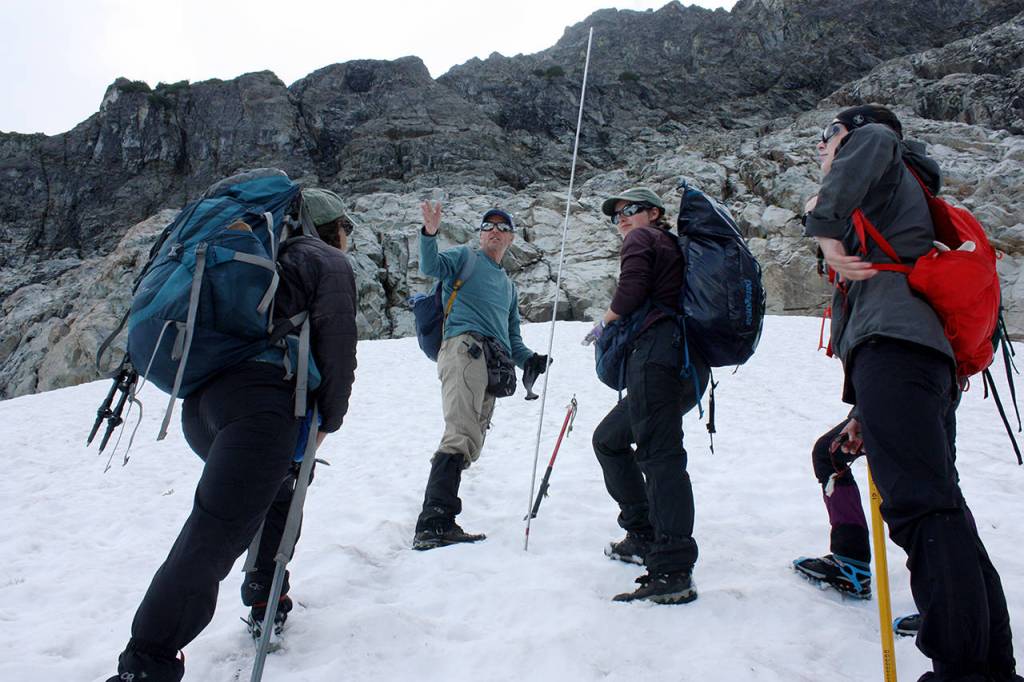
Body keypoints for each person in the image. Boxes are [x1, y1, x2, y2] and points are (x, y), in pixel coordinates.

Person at [803, 104, 1020, 681]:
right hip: (917, 359)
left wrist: (823, 229)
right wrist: (862, 410)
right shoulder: (900, 195)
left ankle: (962, 668)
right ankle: (988, 666)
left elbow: (874, 138)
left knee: (923, 509)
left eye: (828, 136)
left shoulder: (875, 141)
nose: (822, 148)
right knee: (942, 507)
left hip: (896, 352)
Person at [107, 187, 358, 682]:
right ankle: (145, 664)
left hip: (203, 408)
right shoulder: (322, 257)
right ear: (334, 227)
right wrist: (328, 422)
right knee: (214, 533)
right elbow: (337, 348)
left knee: (274, 489)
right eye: (348, 229)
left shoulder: (263, 258)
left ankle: (265, 589)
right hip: (260, 408)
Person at [584, 187, 709, 604]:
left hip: (657, 355)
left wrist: (604, 323)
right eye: (615, 214)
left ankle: (672, 568)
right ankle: (644, 533)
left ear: (654, 213)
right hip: (677, 361)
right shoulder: (668, 243)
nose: (622, 218)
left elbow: (631, 291)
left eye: (630, 210)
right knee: (610, 439)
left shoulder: (643, 238)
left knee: (660, 456)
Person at [412, 202, 549, 550]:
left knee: (471, 438)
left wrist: (530, 360)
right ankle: (434, 522)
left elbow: (511, 338)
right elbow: (430, 266)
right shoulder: (464, 258)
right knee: (460, 433)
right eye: (489, 225)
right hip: (463, 348)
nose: (495, 231)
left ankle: (439, 519)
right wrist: (430, 233)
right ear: (481, 232)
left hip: (491, 361)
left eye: (503, 227)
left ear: (512, 237)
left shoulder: (508, 286)